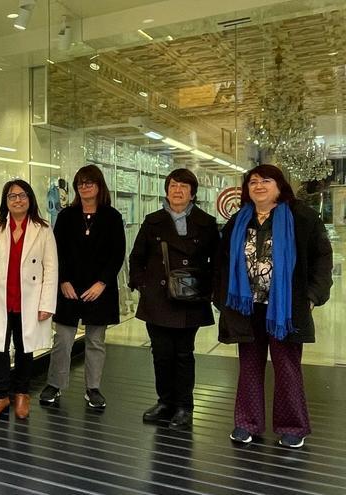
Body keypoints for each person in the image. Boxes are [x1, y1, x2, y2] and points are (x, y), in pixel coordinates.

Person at [215, 165, 332, 448]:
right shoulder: (238, 221)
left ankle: (293, 427)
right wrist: (220, 297)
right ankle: (247, 423)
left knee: (287, 368)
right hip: (247, 308)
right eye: (253, 182)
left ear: (280, 186)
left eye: (266, 180)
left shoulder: (302, 218)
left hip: (284, 310)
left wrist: (312, 296)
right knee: (249, 367)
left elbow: (322, 258)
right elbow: (221, 262)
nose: (259, 186)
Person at [128, 168, 219, 430]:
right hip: (158, 297)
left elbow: (218, 262)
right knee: (161, 353)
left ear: (192, 193)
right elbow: (137, 257)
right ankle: (164, 402)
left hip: (189, 299)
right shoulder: (153, 220)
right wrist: (142, 283)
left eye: (183, 186)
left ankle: (184, 406)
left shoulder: (206, 222)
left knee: (183, 353)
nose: (177, 191)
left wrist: (210, 289)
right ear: (166, 190)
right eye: (172, 186)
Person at [39, 165, 125, 410]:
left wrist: (103, 283)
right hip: (69, 288)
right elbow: (56, 252)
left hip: (99, 289)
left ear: (99, 186)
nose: (85, 187)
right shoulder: (66, 216)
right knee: (63, 339)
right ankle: (54, 385)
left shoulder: (112, 217)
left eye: (89, 182)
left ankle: (93, 388)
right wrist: (63, 280)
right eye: (80, 183)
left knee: (96, 341)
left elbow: (117, 254)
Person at [0, 179, 57, 421]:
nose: (18, 200)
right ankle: (0, 398)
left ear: (30, 199)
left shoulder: (42, 229)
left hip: (29, 300)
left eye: (22, 195)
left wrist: (46, 304)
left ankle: (22, 394)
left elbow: (51, 269)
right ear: (6, 201)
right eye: (12, 196)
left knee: (24, 348)